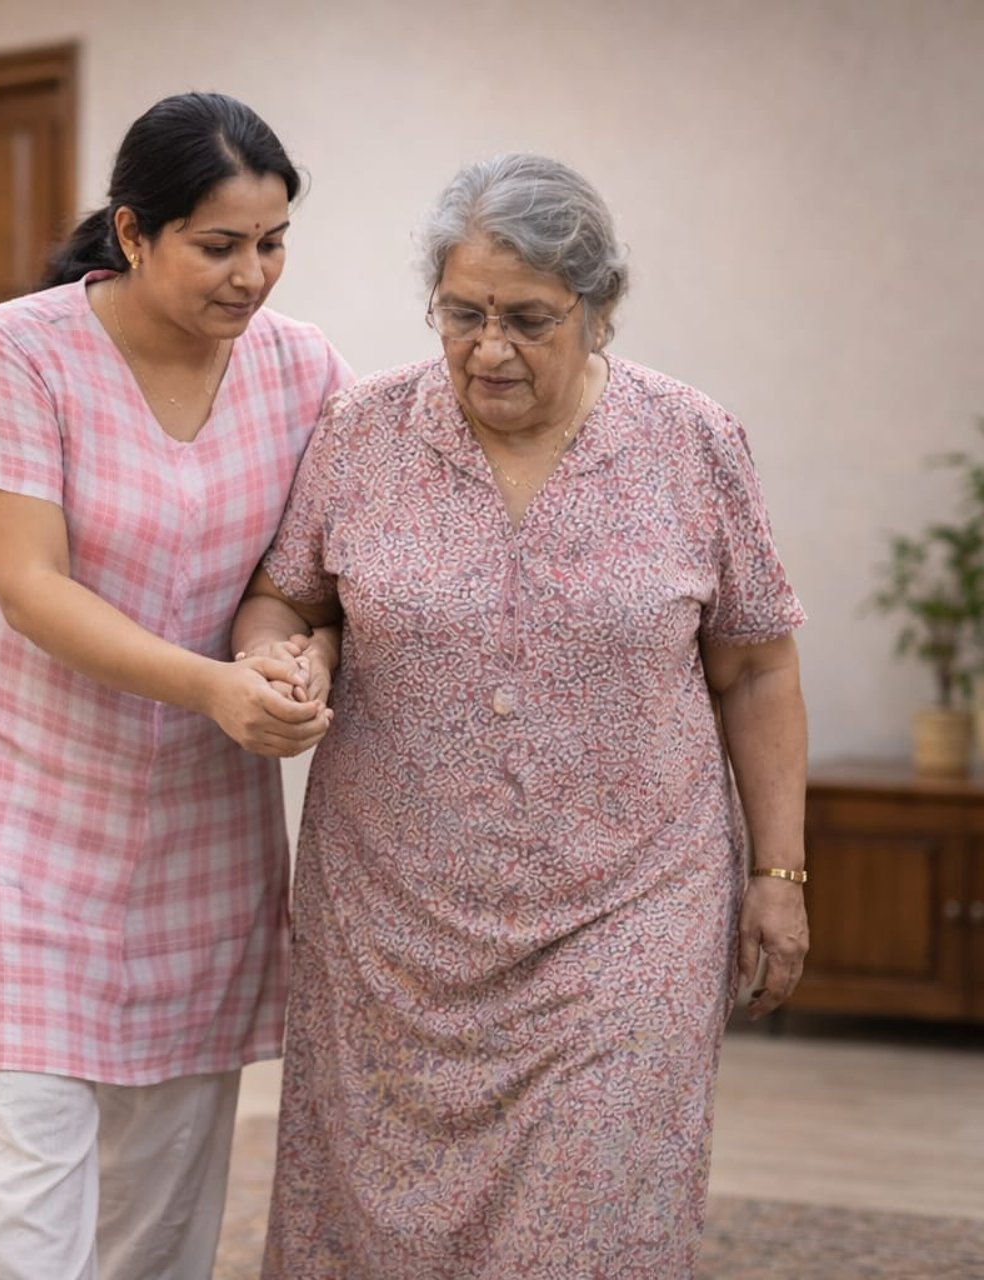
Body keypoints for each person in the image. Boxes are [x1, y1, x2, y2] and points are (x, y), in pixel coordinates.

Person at [238, 153, 811, 1277]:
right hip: (393, 921)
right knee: (376, 1224)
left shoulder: (691, 441)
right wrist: (274, 659)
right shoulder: (362, 435)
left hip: (630, 907)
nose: (489, 348)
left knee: (598, 1214)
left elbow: (755, 668)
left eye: (529, 319)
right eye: (463, 314)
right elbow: (285, 595)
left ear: (598, 311)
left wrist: (779, 876)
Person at [0, 91, 352, 1278]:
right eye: (219, 245)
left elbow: (309, 578)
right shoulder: (17, 348)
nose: (254, 276)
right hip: (7, 804)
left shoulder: (303, 370)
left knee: (162, 1217)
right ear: (133, 234)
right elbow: (30, 585)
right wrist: (213, 686)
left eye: (273, 242)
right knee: (25, 1219)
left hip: (194, 818)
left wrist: (294, 657)